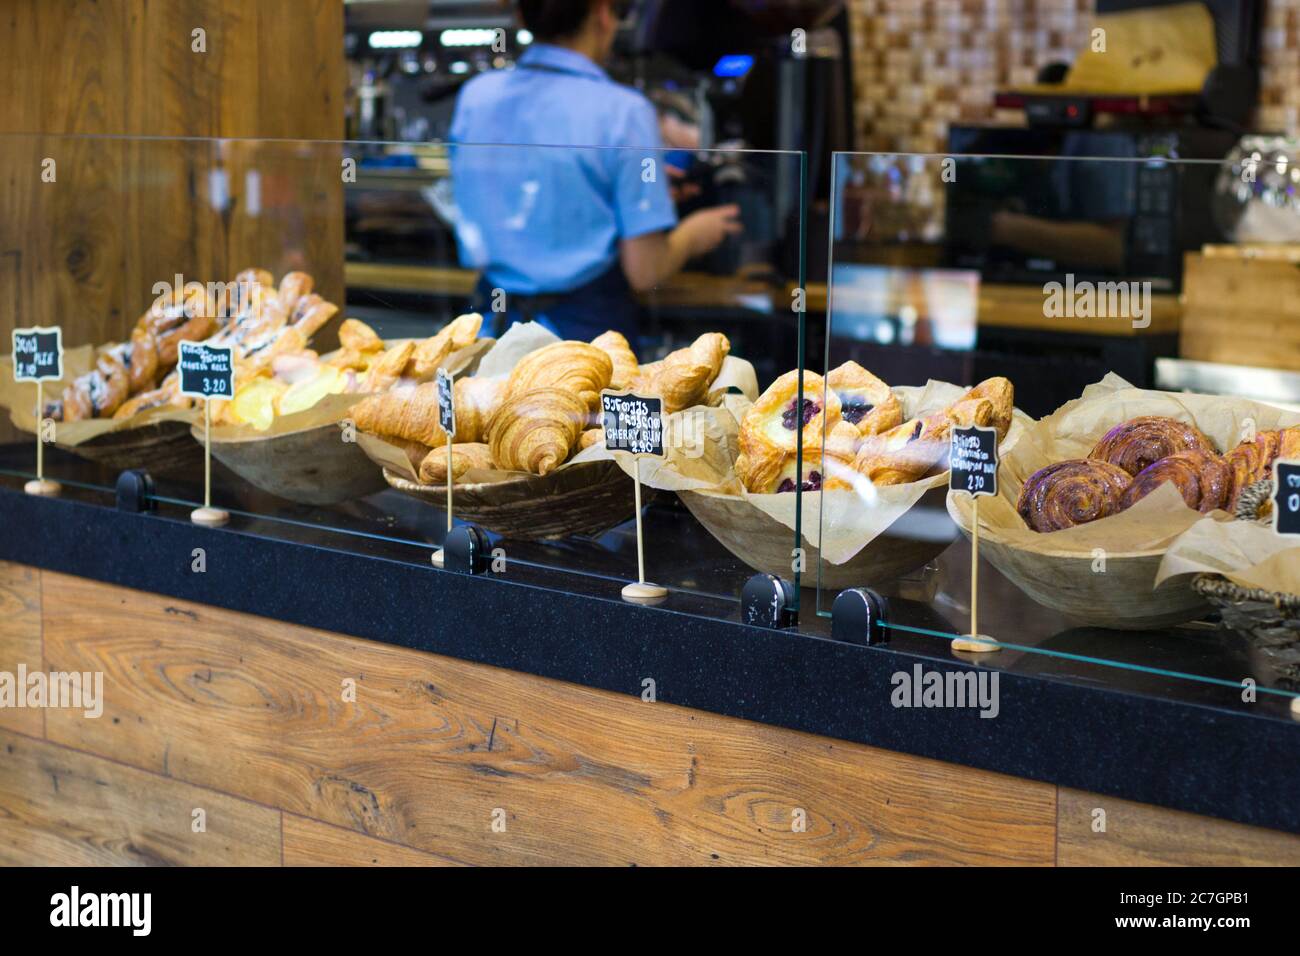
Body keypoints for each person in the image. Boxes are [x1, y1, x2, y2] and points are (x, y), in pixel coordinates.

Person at [449, 0, 741, 342]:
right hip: (583, 336)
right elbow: (645, 270)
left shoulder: (476, 96)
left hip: (487, 329)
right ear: (602, 13)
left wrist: (631, 196)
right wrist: (695, 234)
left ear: (520, 16)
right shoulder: (624, 111)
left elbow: (526, 192)